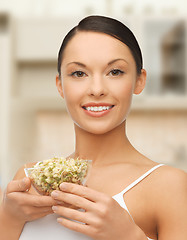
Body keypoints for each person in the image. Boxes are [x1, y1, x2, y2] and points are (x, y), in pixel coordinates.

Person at [0, 15, 187, 240]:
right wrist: (8, 218)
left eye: (115, 72)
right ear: (60, 85)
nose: (97, 89)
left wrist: (130, 236)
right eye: (79, 73)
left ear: (139, 80)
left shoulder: (169, 185)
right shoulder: (30, 180)